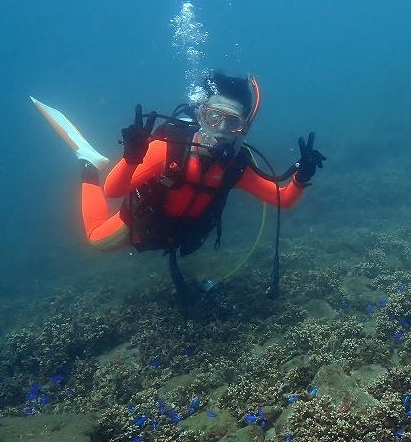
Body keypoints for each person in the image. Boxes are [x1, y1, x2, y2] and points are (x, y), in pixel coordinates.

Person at [35, 72, 325, 299]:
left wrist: (300, 179)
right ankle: (89, 164)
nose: (221, 130)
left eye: (233, 123)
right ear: (201, 115)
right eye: (214, 116)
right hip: (143, 222)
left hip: (180, 234)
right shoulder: (168, 149)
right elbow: (113, 191)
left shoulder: (235, 167)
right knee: (96, 239)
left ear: (243, 130)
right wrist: (131, 159)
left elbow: (282, 199)